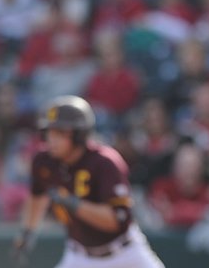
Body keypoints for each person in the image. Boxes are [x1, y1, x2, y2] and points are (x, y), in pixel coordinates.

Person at [12, 95, 164, 268]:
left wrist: (73, 203)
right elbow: (37, 196)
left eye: (60, 132)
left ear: (79, 134)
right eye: (49, 132)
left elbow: (117, 221)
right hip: (79, 256)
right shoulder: (44, 161)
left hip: (124, 253)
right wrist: (27, 233)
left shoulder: (104, 162)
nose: (51, 139)